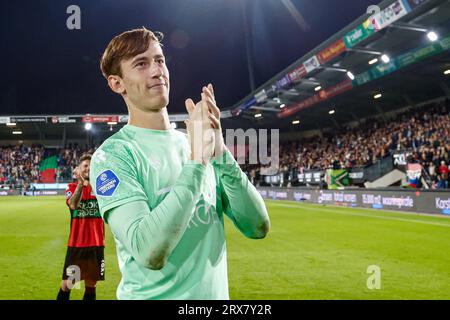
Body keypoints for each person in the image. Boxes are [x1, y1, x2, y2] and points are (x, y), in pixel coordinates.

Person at [90, 27, 270, 300]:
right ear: (117, 83)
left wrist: (220, 152)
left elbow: (257, 226)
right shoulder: (113, 156)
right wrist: (197, 161)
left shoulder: (195, 141)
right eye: (141, 63)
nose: (156, 71)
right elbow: (149, 252)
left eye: (160, 60)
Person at [57, 153, 105, 300]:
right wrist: (80, 183)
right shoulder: (71, 186)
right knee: (69, 284)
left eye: (91, 166)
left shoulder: (102, 189)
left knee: (91, 284)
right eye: (85, 166)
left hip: (96, 245)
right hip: (77, 246)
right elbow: (73, 204)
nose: (88, 168)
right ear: (78, 168)